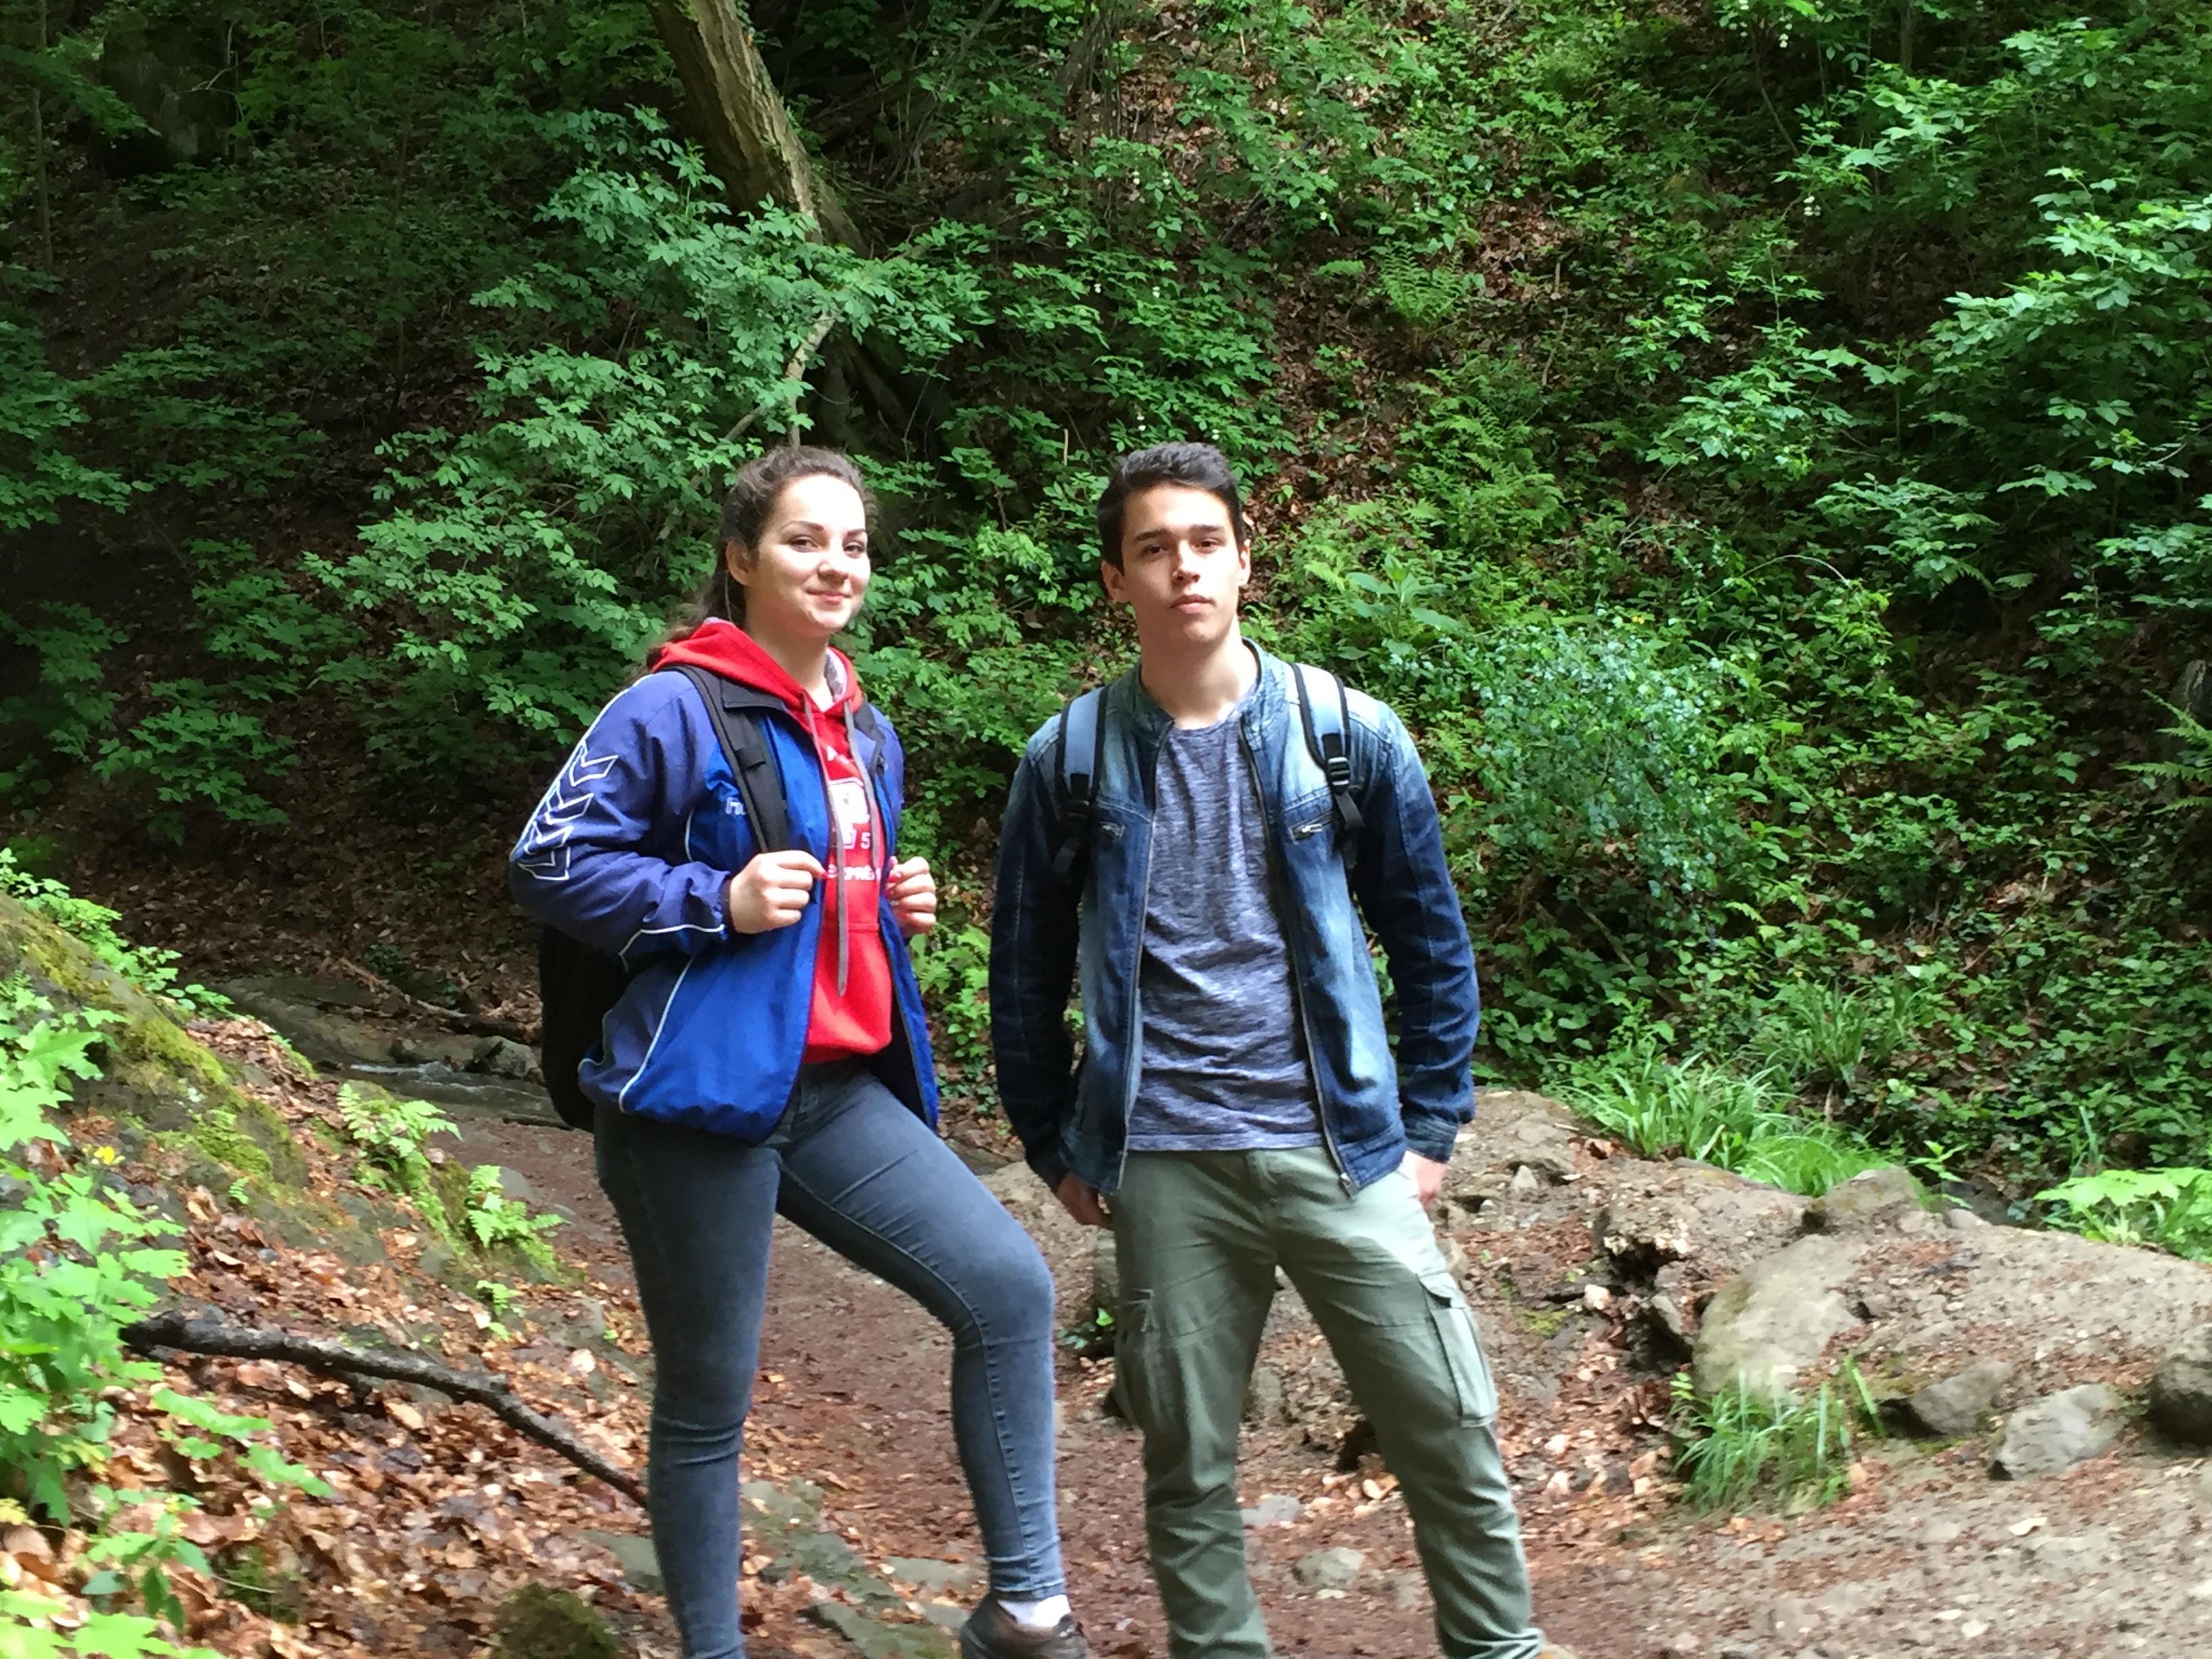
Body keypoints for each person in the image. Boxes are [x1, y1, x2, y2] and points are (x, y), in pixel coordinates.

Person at [511, 447, 1087, 1659]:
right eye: (805, 540)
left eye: (854, 545)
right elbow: (549, 861)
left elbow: (824, 900)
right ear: (742, 558)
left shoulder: (865, 729)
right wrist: (712, 898)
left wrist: (888, 902)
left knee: (1008, 1288)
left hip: (834, 1093)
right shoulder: (669, 706)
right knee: (709, 1400)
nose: (836, 565)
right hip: (691, 1103)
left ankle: (1027, 1611)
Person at [988, 442, 1553, 1659]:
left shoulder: (1348, 733)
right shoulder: (1069, 760)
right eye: (1154, 549)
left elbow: (1432, 941)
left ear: (1246, 558)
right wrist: (1050, 1141)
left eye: (1206, 542)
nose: (1184, 568)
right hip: (1166, 1161)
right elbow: (1023, 966)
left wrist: (1431, 1128)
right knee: (1188, 1466)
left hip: (1343, 1148)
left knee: (1449, 1428)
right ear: (1117, 579)